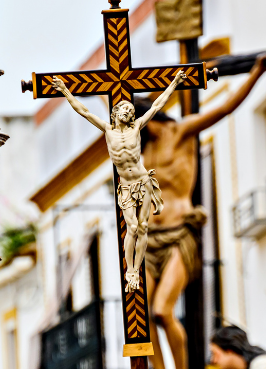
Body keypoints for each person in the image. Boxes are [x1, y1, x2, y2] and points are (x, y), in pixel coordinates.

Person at [135, 52, 266, 369]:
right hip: (148, 240)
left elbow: (227, 107)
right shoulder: (139, 149)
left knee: (163, 312)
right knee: (139, 315)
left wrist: (257, 73)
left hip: (180, 233)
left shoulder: (180, 131)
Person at [51, 72, 184, 293]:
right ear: (116, 112)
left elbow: (157, 105)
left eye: (131, 110)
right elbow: (83, 111)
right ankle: (130, 268)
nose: (129, 112)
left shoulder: (137, 127)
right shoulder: (108, 130)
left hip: (142, 182)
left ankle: (135, 272)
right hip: (126, 186)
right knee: (131, 227)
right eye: (125, 109)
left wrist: (174, 83)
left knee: (142, 228)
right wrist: (65, 91)